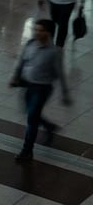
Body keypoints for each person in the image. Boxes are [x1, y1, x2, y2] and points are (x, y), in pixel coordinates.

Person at [11, 19, 71, 162]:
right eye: (36, 29)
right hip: (27, 84)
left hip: (42, 88)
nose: (37, 32)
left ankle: (27, 151)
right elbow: (21, 61)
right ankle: (49, 126)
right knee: (30, 112)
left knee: (32, 119)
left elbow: (60, 73)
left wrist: (65, 92)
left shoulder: (55, 52)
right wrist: (15, 77)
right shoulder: (30, 44)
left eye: (41, 30)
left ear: (49, 33)